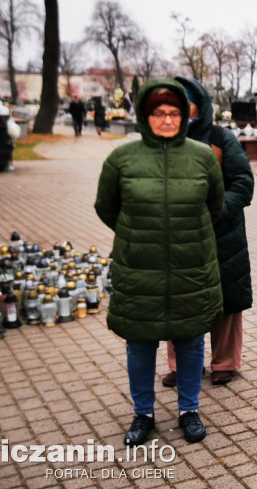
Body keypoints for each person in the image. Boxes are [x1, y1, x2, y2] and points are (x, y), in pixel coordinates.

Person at [94, 78, 224, 446]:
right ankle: (143, 414)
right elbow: (106, 208)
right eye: (158, 113)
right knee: (139, 342)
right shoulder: (122, 159)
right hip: (140, 267)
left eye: (174, 113)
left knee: (190, 338)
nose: (167, 120)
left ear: (184, 116)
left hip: (191, 265)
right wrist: (139, 234)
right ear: (144, 116)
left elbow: (214, 206)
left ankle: (188, 409)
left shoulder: (201, 156)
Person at [160, 76, 254, 388]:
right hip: (178, 236)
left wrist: (216, 210)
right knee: (180, 299)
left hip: (221, 234)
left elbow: (242, 181)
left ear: (197, 104)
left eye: (181, 103)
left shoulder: (219, 137)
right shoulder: (161, 139)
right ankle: (182, 364)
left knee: (225, 299)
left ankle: (224, 363)